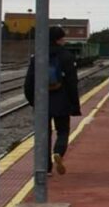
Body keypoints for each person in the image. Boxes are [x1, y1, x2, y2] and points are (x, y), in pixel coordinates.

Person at [24, 25, 81, 176]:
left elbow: (29, 82)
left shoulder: (38, 56)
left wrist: (33, 100)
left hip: (42, 100)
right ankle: (58, 152)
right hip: (61, 100)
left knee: (43, 134)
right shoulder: (67, 56)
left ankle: (45, 167)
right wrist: (74, 104)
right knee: (62, 131)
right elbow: (72, 82)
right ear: (59, 39)